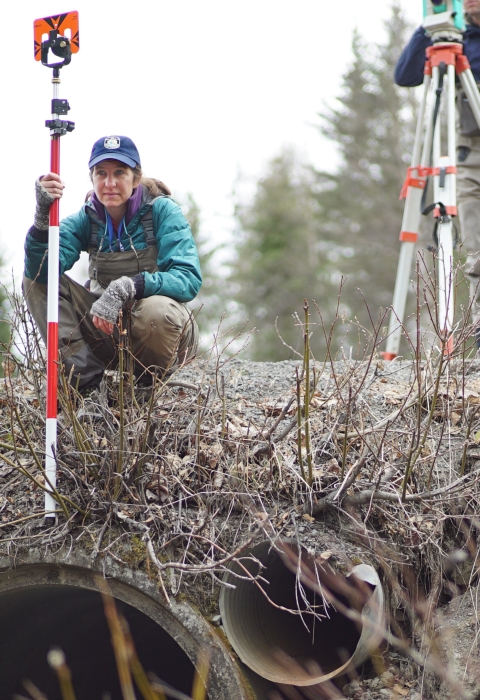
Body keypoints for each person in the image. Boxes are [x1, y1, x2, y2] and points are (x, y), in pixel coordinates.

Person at [23, 135, 202, 391]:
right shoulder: (86, 220)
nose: (110, 183)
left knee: (157, 311)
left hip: (162, 334)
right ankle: (87, 385)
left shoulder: (163, 212)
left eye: (119, 172)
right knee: (35, 281)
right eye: (101, 173)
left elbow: (188, 278)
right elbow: (40, 272)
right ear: (92, 178)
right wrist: (42, 219)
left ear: (136, 178)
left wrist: (129, 286)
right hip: (105, 332)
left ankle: (149, 385)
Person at [395, 0, 480, 339]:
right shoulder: (457, 39)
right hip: (469, 152)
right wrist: (429, 27)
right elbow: (406, 76)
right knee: (477, 250)